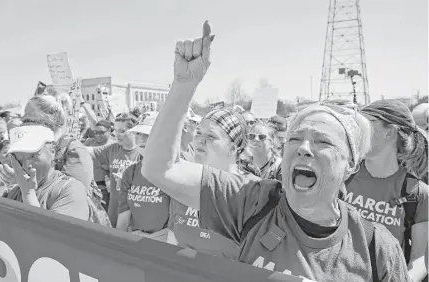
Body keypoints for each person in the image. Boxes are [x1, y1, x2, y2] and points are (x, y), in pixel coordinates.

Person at [142, 21, 411, 281]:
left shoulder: (376, 248)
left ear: (351, 164)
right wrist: (184, 83)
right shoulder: (253, 202)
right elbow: (159, 168)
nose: (304, 148)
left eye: (322, 142)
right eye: (295, 139)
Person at [345, 99, 428, 281]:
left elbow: (419, 258)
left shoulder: (417, 193)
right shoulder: (343, 175)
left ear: (390, 132)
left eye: (365, 125)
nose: (358, 132)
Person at [166, 108, 243, 259]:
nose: (200, 140)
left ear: (232, 148)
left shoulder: (250, 191)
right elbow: (172, 241)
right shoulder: (185, 183)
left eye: (211, 136)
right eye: (199, 132)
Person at [0, 95, 95, 193]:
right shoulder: (26, 147)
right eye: (24, 120)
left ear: (50, 121)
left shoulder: (74, 150)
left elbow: (72, 196)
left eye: (30, 120)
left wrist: (22, 185)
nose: (24, 125)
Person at [5, 125, 89, 220]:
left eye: (32, 156)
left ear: (52, 152)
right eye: (18, 159)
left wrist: (28, 194)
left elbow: (50, 233)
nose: (25, 165)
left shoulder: (71, 190)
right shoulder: (14, 191)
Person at [117, 112, 171, 242]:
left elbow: (178, 220)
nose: (141, 138)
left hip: (166, 242)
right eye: (138, 133)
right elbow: (123, 217)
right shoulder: (130, 172)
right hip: (135, 239)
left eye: (147, 134)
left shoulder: (171, 172)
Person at [85, 112, 141, 227]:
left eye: (122, 131)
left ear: (134, 131)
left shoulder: (142, 151)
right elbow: (88, 150)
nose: (117, 135)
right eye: (115, 130)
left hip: (135, 209)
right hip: (114, 208)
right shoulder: (112, 148)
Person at [84, 119, 114, 210]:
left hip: (104, 190)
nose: (98, 135)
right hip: (88, 187)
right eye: (95, 132)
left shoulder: (113, 146)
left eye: (101, 132)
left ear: (109, 131)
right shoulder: (89, 142)